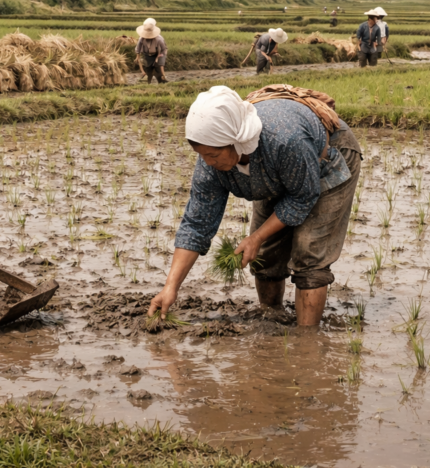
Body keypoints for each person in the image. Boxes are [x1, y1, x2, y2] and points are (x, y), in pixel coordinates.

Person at [148, 85, 362, 327]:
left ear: (236, 141)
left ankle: (306, 344)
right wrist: (170, 288)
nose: (208, 162)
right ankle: (272, 318)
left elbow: (302, 197)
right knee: (265, 254)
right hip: (279, 168)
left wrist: (256, 237)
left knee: (309, 252)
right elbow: (197, 223)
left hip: (325, 158)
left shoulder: (285, 141)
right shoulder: (211, 163)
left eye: (214, 155)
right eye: (202, 155)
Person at [135, 17, 168, 84]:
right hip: (147, 54)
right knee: (148, 69)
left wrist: (159, 58)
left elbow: (164, 50)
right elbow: (138, 50)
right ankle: (148, 82)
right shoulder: (141, 39)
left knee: (159, 68)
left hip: (159, 53)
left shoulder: (159, 39)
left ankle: (162, 79)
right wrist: (138, 58)